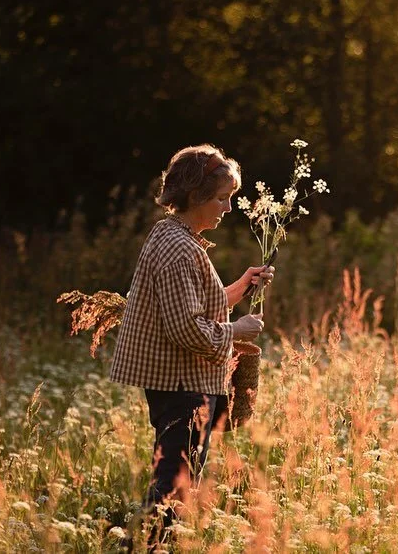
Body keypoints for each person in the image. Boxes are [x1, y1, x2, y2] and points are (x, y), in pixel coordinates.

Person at [109, 144, 273, 549]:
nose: (228, 208)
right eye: (222, 199)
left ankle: (151, 544)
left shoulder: (181, 239)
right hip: (181, 384)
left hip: (188, 380)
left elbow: (200, 307)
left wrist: (240, 287)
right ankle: (143, 546)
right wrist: (237, 331)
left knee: (181, 477)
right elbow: (187, 329)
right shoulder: (178, 249)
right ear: (195, 197)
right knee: (174, 483)